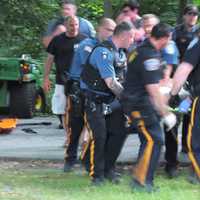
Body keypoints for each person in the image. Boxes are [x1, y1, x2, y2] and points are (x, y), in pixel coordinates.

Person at [121, 23, 177, 192]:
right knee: (155, 139)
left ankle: (141, 179)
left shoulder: (142, 50)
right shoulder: (149, 56)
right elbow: (152, 89)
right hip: (139, 103)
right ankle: (141, 183)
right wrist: (165, 112)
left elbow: (156, 82)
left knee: (150, 140)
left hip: (139, 102)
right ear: (166, 38)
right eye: (169, 39)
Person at [80, 22, 135, 185]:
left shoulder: (121, 54)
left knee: (119, 132)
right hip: (95, 102)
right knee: (100, 136)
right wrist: (128, 99)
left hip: (112, 102)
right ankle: (96, 176)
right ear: (124, 36)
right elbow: (111, 83)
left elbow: (123, 79)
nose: (132, 41)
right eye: (131, 37)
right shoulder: (103, 52)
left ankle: (108, 169)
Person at [63, 17, 116, 172]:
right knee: (76, 127)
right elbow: (95, 69)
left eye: (113, 31)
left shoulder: (108, 48)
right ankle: (70, 160)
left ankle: (88, 160)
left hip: (95, 94)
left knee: (96, 130)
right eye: (109, 30)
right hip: (79, 91)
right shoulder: (88, 45)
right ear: (100, 29)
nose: (111, 33)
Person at [141, 14, 180, 178]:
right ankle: (147, 166)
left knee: (170, 130)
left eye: (150, 25)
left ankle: (171, 165)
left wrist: (162, 97)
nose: (147, 28)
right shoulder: (143, 44)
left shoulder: (168, 44)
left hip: (165, 91)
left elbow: (167, 72)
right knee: (149, 133)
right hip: (148, 93)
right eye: (145, 25)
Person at [43, 16, 86, 139]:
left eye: (76, 24)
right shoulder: (57, 40)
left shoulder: (85, 40)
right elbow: (49, 60)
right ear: (66, 25)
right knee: (63, 110)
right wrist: (45, 78)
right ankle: (69, 137)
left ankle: (83, 137)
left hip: (80, 81)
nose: (74, 27)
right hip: (61, 81)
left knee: (81, 110)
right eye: (71, 25)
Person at [170, 36, 200, 184]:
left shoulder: (197, 45)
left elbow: (183, 69)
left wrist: (172, 94)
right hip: (194, 95)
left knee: (196, 141)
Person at [172, 4, 200, 161]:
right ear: (184, 15)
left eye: (195, 14)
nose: (193, 16)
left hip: (193, 82)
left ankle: (186, 147)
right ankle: (175, 151)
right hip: (180, 77)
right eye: (190, 13)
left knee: (191, 115)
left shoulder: (197, 33)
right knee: (177, 114)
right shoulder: (176, 32)